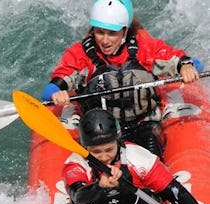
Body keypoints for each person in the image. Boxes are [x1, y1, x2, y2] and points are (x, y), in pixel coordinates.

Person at [41, 0, 203, 157]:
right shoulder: (80, 55)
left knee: (151, 150)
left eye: (112, 33)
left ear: (125, 31)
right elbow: (52, 88)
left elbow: (187, 61)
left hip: (143, 123)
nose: (105, 40)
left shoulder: (144, 48)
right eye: (100, 32)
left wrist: (187, 67)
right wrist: (56, 93)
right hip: (101, 131)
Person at [61, 108, 209, 204]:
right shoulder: (76, 163)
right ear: (85, 147)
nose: (104, 157)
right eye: (96, 152)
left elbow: (176, 192)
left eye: (109, 150)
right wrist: (98, 186)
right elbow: (78, 197)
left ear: (117, 142)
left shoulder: (137, 158)